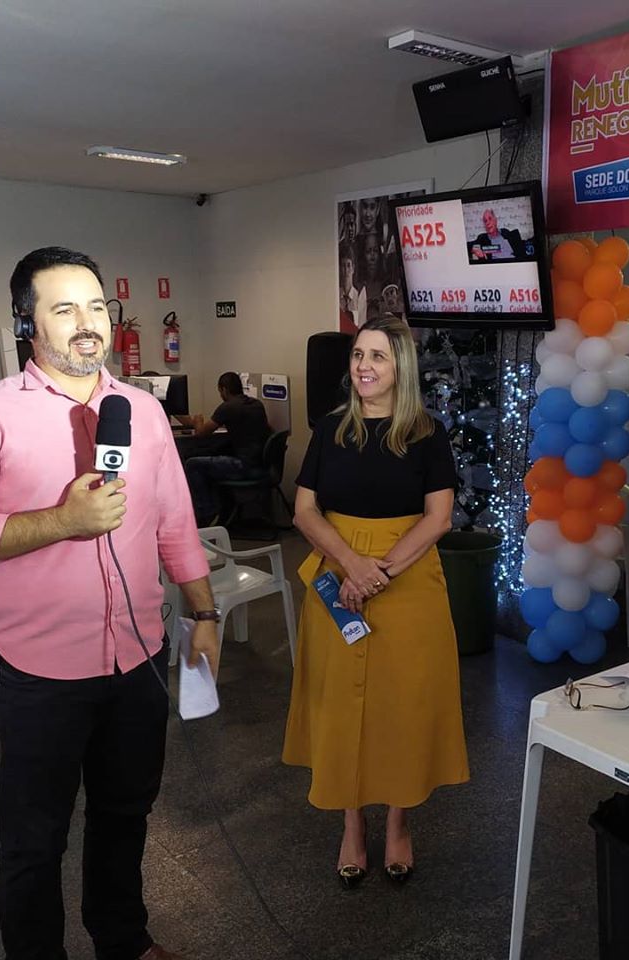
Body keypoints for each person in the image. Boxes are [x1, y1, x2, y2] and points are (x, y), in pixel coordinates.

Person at [0, 246, 220, 960]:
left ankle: (123, 940)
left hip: (138, 658)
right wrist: (59, 523)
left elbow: (174, 520)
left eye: (97, 306)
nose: (88, 322)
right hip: (38, 675)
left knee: (125, 815)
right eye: (64, 308)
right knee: (33, 843)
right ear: (26, 322)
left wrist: (204, 612)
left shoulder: (142, 411)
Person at [283, 314, 469, 887]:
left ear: (400, 368)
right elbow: (305, 510)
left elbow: (438, 518)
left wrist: (377, 572)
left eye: (378, 357)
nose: (364, 367)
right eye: (358, 355)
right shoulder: (331, 428)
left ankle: (398, 822)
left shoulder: (427, 433)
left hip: (407, 580)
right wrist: (351, 565)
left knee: (403, 706)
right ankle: (351, 824)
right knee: (339, 706)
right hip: (339, 576)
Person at [183, 371, 272, 526]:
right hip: (261, 466)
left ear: (224, 389)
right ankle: (223, 508)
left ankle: (207, 513)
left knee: (192, 464)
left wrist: (197, 420)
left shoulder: (228, 407)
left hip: (244, 467)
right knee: (210, 459)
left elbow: (201, 433)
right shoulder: (257, 404)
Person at [339, 243, 366, 331]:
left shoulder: (359, 297)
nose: (346, 270)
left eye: (348, 265)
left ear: (353, 268)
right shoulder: (335, 297)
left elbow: (362, 324)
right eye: (343, 265)